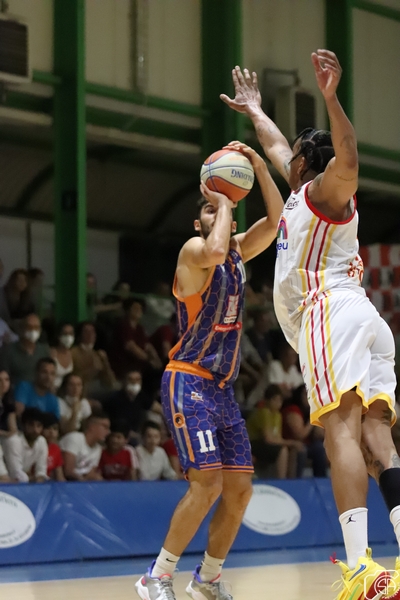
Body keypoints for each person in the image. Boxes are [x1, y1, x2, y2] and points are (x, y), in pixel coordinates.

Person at [222, 49, 400, 598]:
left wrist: (331, 98)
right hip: (365, 319)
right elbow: (277, 145)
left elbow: (349, 159)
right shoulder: (301, 192)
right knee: (377, 440)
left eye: (294, 153)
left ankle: (360, 568)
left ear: (305, 164)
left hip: (329, 314)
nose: (286, 155)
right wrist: (255, 110)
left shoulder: (325, 191)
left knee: (339, 431)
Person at [135, 140, 283, 600]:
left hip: (222, 389)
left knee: (239, 490)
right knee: (207, 485)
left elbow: (277, 222)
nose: (213, 209)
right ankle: (156, 576)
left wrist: (259, 166)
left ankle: (207, 579)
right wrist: (224, 202)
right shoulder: (195, 250)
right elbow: (216, 250)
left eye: (219, 206)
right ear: (197, 220)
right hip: (188, 380)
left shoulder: (236, 250)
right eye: (205, 206)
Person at [246, 384, 302, 478]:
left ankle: (292, 480)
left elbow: (278, 438)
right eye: (275, 400)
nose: (278, 403)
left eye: (280, 400)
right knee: (283, 450)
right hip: (252, 443)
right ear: (267, 400)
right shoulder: (263, 412)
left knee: (294, 450)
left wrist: (292, 444)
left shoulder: (278, 415)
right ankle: (281, 480)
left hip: (266, 444)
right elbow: (268, 438)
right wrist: (292, 442)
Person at [282, 384, 327, 478]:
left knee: (319, 447)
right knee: (301, 450)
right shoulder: (293, 409)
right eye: (306, 394)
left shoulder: (310, 410)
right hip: (291, 443)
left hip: (307, 444)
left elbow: (319, 435)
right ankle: (297, 482)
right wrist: (312, 419)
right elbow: (300, 435)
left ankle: (321, 480)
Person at [103, 370, 153, 444]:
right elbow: (114, 422)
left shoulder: (141, 396)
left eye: (137, 380)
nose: (134, 382)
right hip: (117, 433)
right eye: (131, 379)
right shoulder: (114, 399)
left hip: (136, 434)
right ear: (124, 381)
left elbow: (154, 406)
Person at [0, 313, 50, 384]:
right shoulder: (8, 351)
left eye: (36, 327)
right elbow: (3, 378)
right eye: (29, 327)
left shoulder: (44, 350)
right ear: (22, 329)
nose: (33, 331)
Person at [60, 411, 110, 481]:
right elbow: (68, 471)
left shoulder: (98, 448)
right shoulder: (75, 438)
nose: (108, 432)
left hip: (81, 483)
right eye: (105, 427)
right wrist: (84, 480)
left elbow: (90, 473)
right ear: (92, 426)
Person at [71, 321, 116, 397]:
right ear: (80, 335)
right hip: (81, 392)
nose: (90, 334)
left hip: (98, 391)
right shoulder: (73, 353)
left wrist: (105, 363)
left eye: (92, 332)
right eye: (86, 332)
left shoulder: (98, 354)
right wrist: (91, 369)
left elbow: (111, 382)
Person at [3, 407, 48, 482]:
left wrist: (39, 478)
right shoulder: (13, 441)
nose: (35, 430)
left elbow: (41, 471)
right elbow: (16, 473)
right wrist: (32, 479)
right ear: (23, 425)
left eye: (39, 426)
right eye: (31, 425)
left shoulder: (41, 441)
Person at [50, 323, 75, 389]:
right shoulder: (52, 352)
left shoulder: (72, 353)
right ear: (59, 336)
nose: (68, 337)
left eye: (71, 334)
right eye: (65, 334)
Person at [42, 412, 65, 481]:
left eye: (55, 429)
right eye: (48, 428)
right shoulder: (35, 447)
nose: (51, 432)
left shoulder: (56, 449)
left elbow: (60, 476)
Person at [0, 370, 17, 439]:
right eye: (0, 380)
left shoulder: (9, 402)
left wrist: (4, 433)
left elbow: (13, 429)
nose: (3, 383)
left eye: (6, 380)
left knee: (14, 439)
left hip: (3, 436)